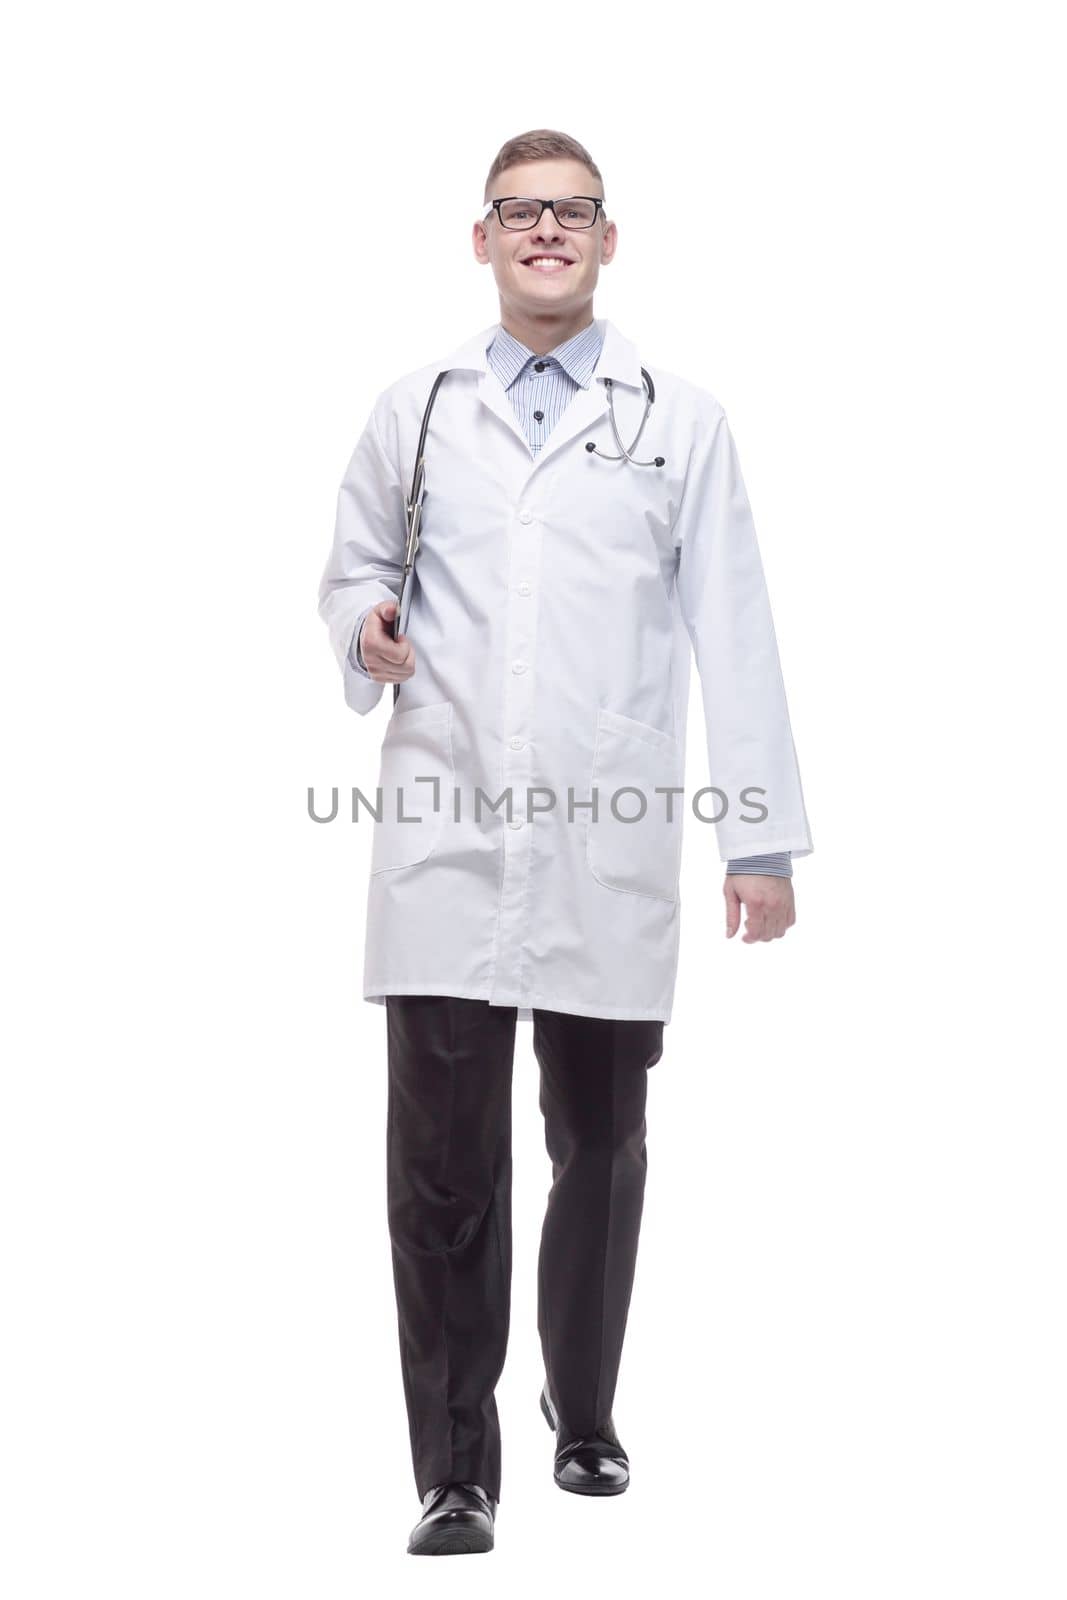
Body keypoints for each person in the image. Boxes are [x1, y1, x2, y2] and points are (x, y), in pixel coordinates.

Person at [317, 128, 813, 1556]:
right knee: (444, 1170)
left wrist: (759, 843)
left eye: (572, 213)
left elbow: (739, 626)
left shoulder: (682, 420)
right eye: (520, 213)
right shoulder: (416, 411)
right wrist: (367, 623)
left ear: (609, 241)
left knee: (602, 1139)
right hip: (443, 830)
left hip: (608, 839)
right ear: (482, 241)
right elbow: (352, 559)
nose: (546, 232)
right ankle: (454, 1468)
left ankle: (581, 1410)